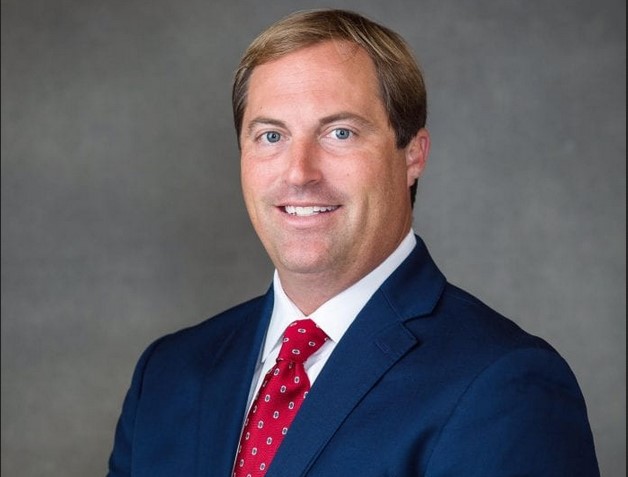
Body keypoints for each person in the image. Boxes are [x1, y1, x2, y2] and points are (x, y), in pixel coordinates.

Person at [108, 9, 599, 477]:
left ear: (413, 155)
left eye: (340, 133)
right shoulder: (168, 373)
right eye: (271, 136)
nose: (299, 173)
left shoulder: (505, 385)